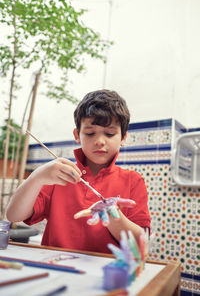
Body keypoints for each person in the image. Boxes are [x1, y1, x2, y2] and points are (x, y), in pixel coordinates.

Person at [6, 89, 151, 253]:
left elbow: (141, 245)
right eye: (90, 133)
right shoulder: (59, 176)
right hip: (57, 269)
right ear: (77, 134)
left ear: (123, 137)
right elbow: (13, 216)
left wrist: (112, 215)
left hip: (108, 274)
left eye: (109, 134)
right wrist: (36, 177)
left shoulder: (133, 180)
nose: (99, 141)